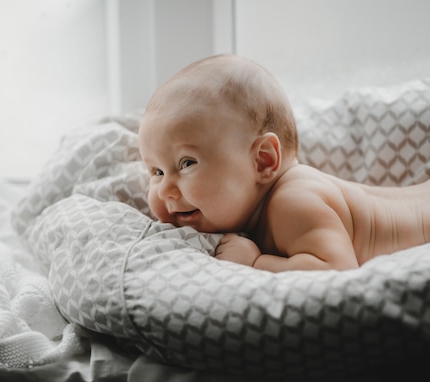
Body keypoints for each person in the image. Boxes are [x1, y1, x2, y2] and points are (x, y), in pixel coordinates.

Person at [137, 54, 430, 272]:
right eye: (157, 171)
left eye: (187, 163)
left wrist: (256, 262)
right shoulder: (256, 207)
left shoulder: (292, 203)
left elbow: (339, 270)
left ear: (263, 161)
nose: (165, 190)